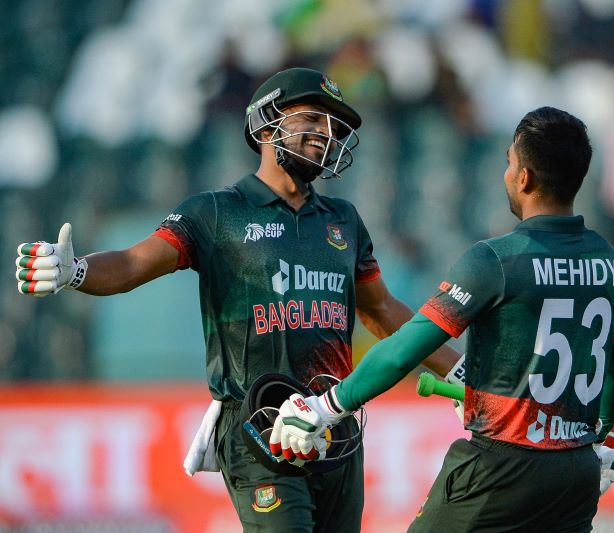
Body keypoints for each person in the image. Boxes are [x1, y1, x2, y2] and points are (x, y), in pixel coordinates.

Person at [15, 67, 463, 532]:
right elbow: (132, 264)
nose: (326, 134)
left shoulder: (344, 219)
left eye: (334, 125)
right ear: (266, 125)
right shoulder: (216, 212)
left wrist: (457, 370)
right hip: (258, 424)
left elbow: (382, 310)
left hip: (334, 423)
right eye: (312, 117)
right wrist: (77, 270)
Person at [269, 106, 614, 532]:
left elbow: (405, 350)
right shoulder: (611, 263)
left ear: (524, 178)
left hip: (501, 468)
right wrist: (597, 438)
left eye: (509, 163)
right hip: (575, 474)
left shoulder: (496, 260)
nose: (505, 174)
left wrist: (327, 405)